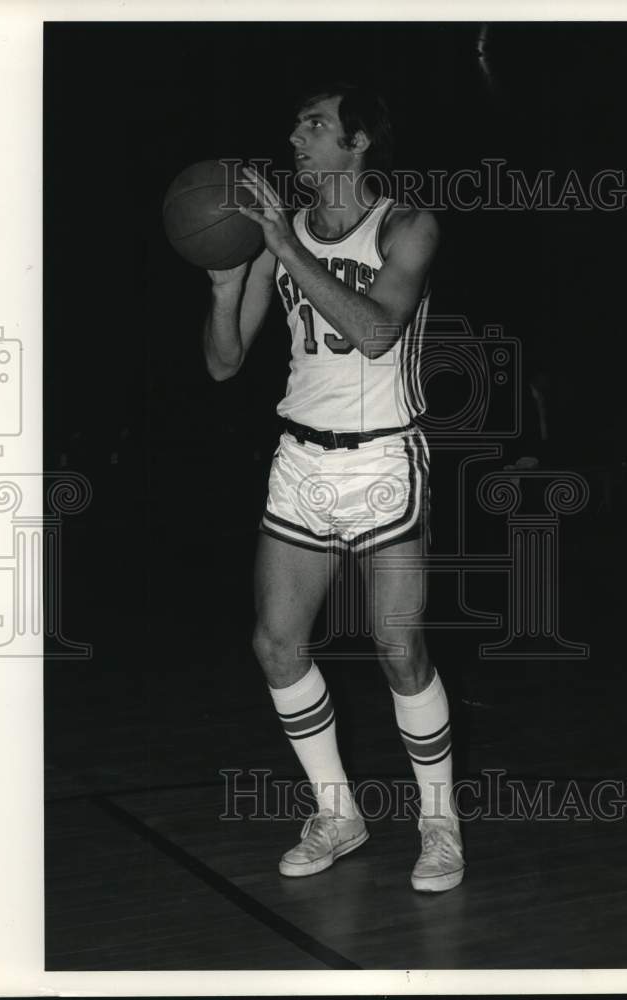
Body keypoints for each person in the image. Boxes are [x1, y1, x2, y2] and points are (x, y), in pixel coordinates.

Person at [202, 82, 464, 893]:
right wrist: (222, 284)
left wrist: (284, 248)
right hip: (302, 462)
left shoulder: (409, 224)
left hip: (384, 459)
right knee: (276, 644)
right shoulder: (267, 237)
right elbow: (222, 361)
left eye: (315, 126)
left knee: (399, 646)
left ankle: (439, 824)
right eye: (296, 125)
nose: (296, 138)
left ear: (358, 145)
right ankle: (338, 812)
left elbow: (377, 330)